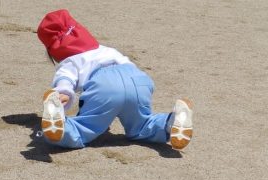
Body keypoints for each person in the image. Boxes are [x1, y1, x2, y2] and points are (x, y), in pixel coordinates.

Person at [36, 9, 193, 150]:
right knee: (142, 124)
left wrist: (61, 96)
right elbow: (130, 66)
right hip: (136, 79)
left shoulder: (69, 62)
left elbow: (65, 82)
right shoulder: (106, 50)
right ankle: (171, 122)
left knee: (82, 128)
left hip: (104, 86)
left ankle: (61, 126)